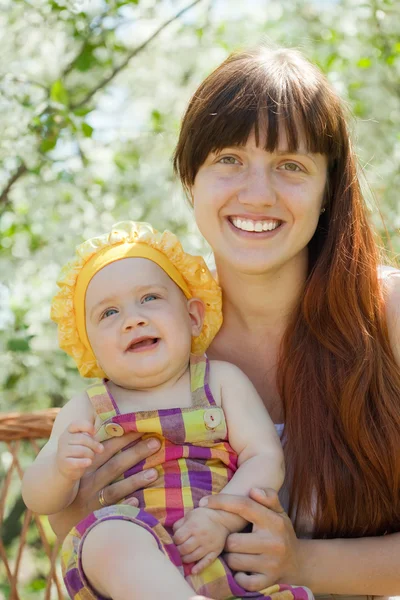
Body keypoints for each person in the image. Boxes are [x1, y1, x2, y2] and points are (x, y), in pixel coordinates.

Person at [48, 46, 400, 599]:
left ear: (330, 188)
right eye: (229, 159)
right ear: (191, 177)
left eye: (291, 165)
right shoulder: (155, 329)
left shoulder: (387, 315)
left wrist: (302, 563)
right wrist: (87, 498)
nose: (257, 194)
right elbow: (76, 538)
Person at [22, 221, 313, 600]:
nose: (133, 319)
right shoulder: (88, 408)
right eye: (108, 313)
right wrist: (61, 468)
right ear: (89, 347)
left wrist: (220, 517)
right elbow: (37, 497)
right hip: (132, 568)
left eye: (149, 298)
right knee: (108, 536)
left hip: (218, 547)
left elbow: (265, 456)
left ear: (193, 316)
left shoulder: (220, 381)